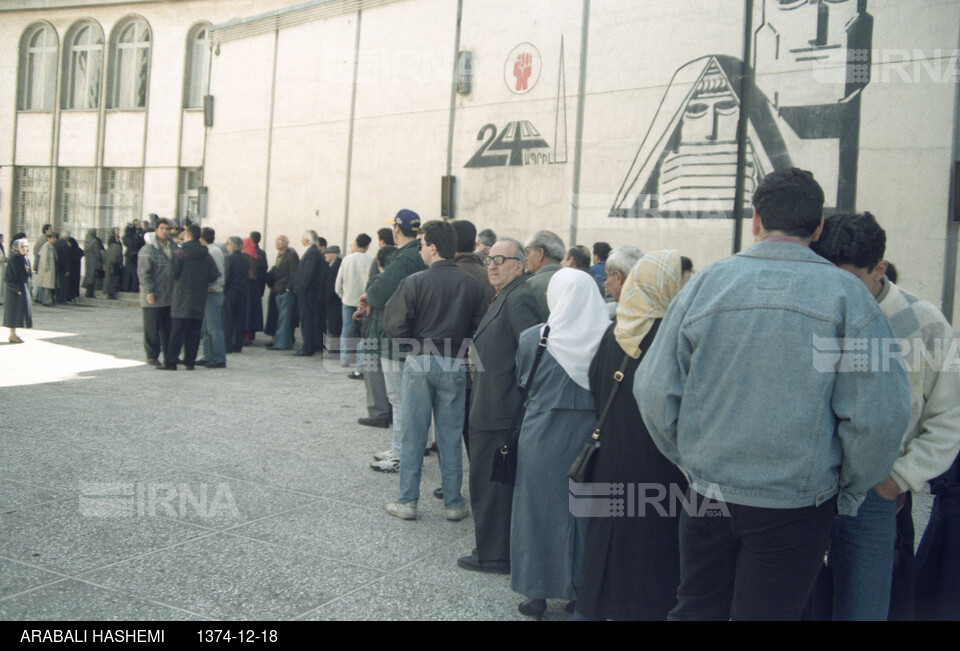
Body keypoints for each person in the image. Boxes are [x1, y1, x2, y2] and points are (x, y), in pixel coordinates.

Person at [634, 168, 911, 621]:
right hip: (797, 501)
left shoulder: (704, 285)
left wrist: (691, 459)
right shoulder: (850, 298)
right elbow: (880, 415)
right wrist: (848, 486)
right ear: (818, 226)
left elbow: (652, 389)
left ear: (756, 219)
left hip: (710, 492)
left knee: (697, 608)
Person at [809, 212, 960, 620]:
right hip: (805, 490)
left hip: (877, 495)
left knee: (865, 607)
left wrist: (898, 481)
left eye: (849, 280)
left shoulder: (926, 323)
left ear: (879, 269)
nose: (836, 291)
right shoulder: (810, 314)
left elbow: (950, 417)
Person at [574, 250, 690, 621]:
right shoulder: (669, 336)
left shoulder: (616, 330)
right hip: (656, 460)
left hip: (610, 455)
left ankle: (595, 609)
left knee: (607, 540)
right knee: (650, 548)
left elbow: (594, 383)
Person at [510, 268, 607, 620]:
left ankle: (535, 594)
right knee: (584, 516)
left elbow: (523, 379)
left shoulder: (534, 338)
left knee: (534, 512)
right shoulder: (607, 339)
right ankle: (581, 592)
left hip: (541, 436)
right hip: (589, 439)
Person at [382, 220, 487, 521]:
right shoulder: (473, 285)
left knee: (414, 434)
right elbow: (481, 329)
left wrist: (411, 344)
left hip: (419, 360)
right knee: (450, 435)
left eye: (423, 244)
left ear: (433, 247)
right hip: (455, 362)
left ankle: (407, 502)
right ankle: (453, 503)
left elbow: (395, 325)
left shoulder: (415, 282)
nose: (421, 249)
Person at [458, 237, 542, 575]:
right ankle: (493, 549)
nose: (491, 265)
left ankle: (494, 555)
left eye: (501, 259)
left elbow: (533, 356)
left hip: (500, 411)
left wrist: (514, 401)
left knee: (490, 487)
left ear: (519, 265)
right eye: (488, 258)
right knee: (487, 485)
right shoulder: (504, 294)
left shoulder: (520, 298)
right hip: (489, 405)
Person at [361, 210, 426, 472]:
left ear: (397, 230)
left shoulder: (406, 256)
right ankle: (401, 448)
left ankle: (401, 454)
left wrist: (371, 291)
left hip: (394, 337)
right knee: (402, 398)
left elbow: (377, 293)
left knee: (398, 398)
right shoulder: (414, 253)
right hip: (405, 335)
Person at [159, 224, 219, 371]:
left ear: (188, 236)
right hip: (199, 296)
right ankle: (190, 362)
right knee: (194, 331)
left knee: (177, 332)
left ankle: (171, 362)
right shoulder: (206, 254)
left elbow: (172, 273)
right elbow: (213, 275)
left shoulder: (181, 252)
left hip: (182, 295)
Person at [138, 219, 174, 367]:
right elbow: (144, 273)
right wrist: (149, 291)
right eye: (162, 228)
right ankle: (152, 356)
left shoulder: (173, 247)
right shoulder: (148, 250)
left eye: (167, 228)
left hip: (169, 295)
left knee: (168, 329)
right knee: (152, 328)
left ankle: (170, 355)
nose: (165, 231)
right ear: (156, 230)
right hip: (153, 295)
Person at [336, 233, 373, 369]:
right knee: (363, 331)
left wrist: (342, 295)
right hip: (364, 301)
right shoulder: (370, 261)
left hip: (348, 299)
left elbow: (339, 281)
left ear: (356, 243)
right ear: (368, 245)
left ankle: (344, 358)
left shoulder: (347, 259)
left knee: (346, 328)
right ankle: (360, 362)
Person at [292, 231, 326, 357]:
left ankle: (308, 347)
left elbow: (308, 273)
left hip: (307, 293)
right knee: (308, 319)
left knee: (307, 319)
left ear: (307, 240)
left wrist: (301, 288)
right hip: (308, 292)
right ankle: (309, 345)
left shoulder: (312, 253)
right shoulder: (312, 252)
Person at [197, 227, 227, 369]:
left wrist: (210, 288)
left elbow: (216, 274)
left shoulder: (213, 252)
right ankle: (208, 355)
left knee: (214, 327)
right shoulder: (212, 250)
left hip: (213, 292)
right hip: (208, 292)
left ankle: (219, 358)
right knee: (206, 328)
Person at [268, 235, 299, 351]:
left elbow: (293, 273)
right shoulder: (279, 256)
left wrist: (288, 288)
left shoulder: (291, 255)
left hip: (285, 290)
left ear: (286, 243)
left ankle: (281, 344)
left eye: (280, 241)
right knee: (281, 317)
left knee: (284, 319)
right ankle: (282, 341)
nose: (277, 243)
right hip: (278, 290)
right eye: (276, 240)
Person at [524, 230, 564, 319]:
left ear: (540, 253)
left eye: (528, 251)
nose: (525, 258)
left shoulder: (531, 284)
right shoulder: (574, 279)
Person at [222, 236, 248, 358]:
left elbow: (226, 277)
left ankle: (227, 345)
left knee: (227, 318)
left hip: (231, 291)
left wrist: (223, 290)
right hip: (242, 291)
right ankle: (238, 344)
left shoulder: (228, 259)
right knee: (239, 318)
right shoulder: (245, 258)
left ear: (231, 245)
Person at [4, 239, 32, 343]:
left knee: (21, 313)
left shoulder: (25, 258)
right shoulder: (13, 260)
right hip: (14, 291)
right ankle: (12, 334)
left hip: (23, 289)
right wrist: (17, 290)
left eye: (26, 246)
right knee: (13, 313)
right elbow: (9, 278)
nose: (25, 249)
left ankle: (14, 334)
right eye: (22, 247)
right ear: (16, 247)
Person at [243, 234, 267, 344]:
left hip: (245, 288)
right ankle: (250, 336)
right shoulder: (260, 256)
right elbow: (263, 272)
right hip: (255, 287)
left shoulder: (243, 257)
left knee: (245, 313)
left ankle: (244, 336)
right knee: (252, 313)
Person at [323, 245, 342, 354]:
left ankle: (334, 350)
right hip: (333, 301)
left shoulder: (337, 265)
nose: (324, 255)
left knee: (334, 325)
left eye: (327, 253)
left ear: (333, 255)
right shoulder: (332, 265)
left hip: (335, 301)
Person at [36, 232, 58, 306]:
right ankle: (46, 301)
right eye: (53, 238)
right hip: (47, 271)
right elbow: (44, 258)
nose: (55, 239)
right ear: (49, 238)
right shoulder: (46, 246)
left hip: (50, 270)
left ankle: (48, 300)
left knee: (49, 285)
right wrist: (46, 267)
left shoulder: (51, 246)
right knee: (47, 285)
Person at [83, 229, 104, 299]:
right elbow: (97, 253)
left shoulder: (86, 241)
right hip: (94, 261)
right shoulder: (94, 242)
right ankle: (90, 293)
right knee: (93, 277)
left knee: (88, 276)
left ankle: (87, 292)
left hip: (88, 261)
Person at [104, 230, 124, 299]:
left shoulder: (109, 248)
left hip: (109, 264)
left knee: (109, 279)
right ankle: (111, 294)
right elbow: (119, 257)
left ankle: (109, 294)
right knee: (113, 280)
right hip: (114, 265)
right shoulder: (116, 246)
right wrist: (121, 263)